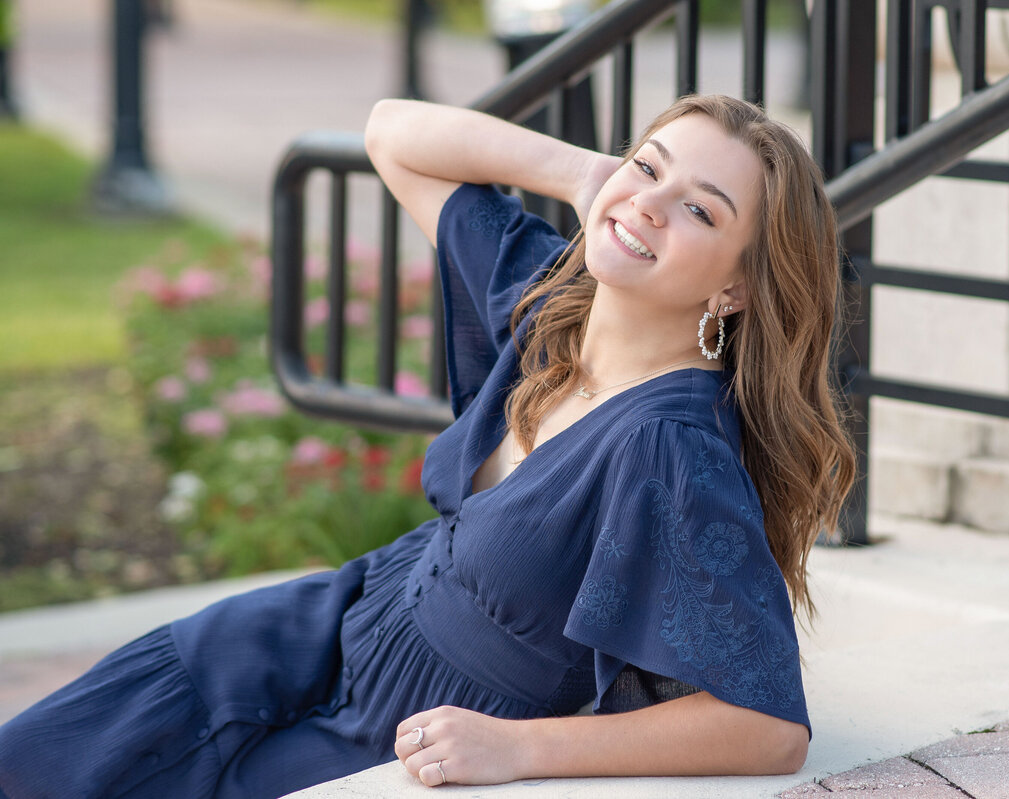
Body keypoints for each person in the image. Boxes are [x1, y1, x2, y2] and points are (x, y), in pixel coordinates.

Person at [0, 94, 854, 797]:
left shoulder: (671, 449)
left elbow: (767, 725)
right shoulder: (553, 302)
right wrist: (588, 176)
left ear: (737, 285)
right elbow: (393, 135)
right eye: (649, 167)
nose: (651, 206)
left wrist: (524, 750)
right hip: (323, 629)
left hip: (400, 729)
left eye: (699, 209)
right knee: (40, 757)